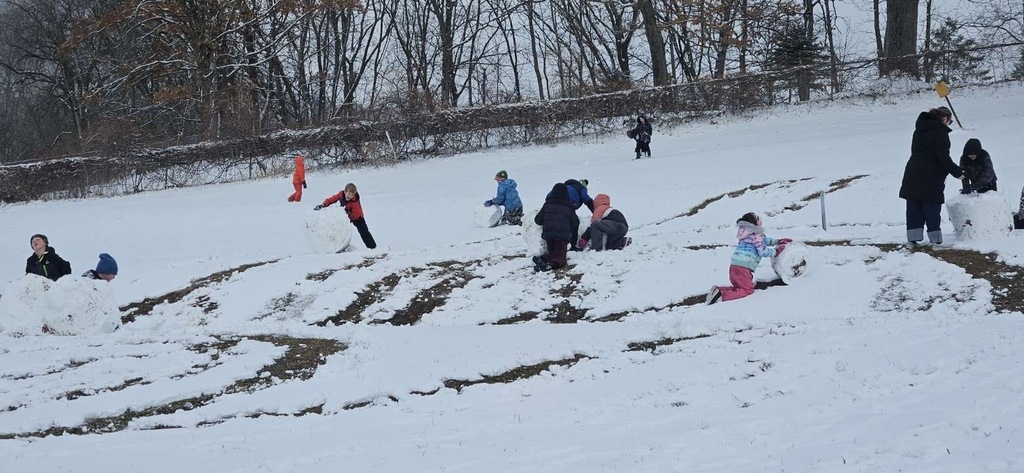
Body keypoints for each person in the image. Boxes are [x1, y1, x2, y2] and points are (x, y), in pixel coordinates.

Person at [898, 106, 965, 245]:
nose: (948, 124)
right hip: (930, 176)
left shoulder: (919, 130)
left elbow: (916, 152)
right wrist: (958, 173)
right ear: (944, 118)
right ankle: (936, 241)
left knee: (914, 207)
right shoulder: (940, 132)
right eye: (949, 121)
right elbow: (943, 158)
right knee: (931, 208)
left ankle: (912, 239)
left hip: (912, 172)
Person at [706, 212, 790, 305]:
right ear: (754, 223)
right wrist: (776, 251)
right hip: (744, 267)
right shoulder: (757, 235)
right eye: (758, 218)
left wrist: (778, 241)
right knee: (747, 290)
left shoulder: (746, 233)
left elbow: (764, 240)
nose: (760, 218)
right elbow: (763, 251)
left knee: (738, 287)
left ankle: (718, 290)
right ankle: (722, 296)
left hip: (734, 265)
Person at [532, 183, 580, 272]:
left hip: (548, 235)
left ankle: (542, 260)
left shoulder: (547, 204)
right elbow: (575, 223)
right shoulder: (569, 206)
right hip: (562, 236)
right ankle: (549, 265)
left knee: (552, 253)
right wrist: (573, 242)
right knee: (560, 257)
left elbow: (537, 220)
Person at [315, 183, 377, 249]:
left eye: (352, 195)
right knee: (338, 228)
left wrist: (346, 212)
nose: (349, 196)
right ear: (345, 192)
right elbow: (332, 199)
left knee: (364, 232)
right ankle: (337, 245)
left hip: (358, 218)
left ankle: (372, 248)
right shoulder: (341, 195)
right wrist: (323, 205)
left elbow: (354, 213)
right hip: (346, 216)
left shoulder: (354, 202)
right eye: (348, 194)